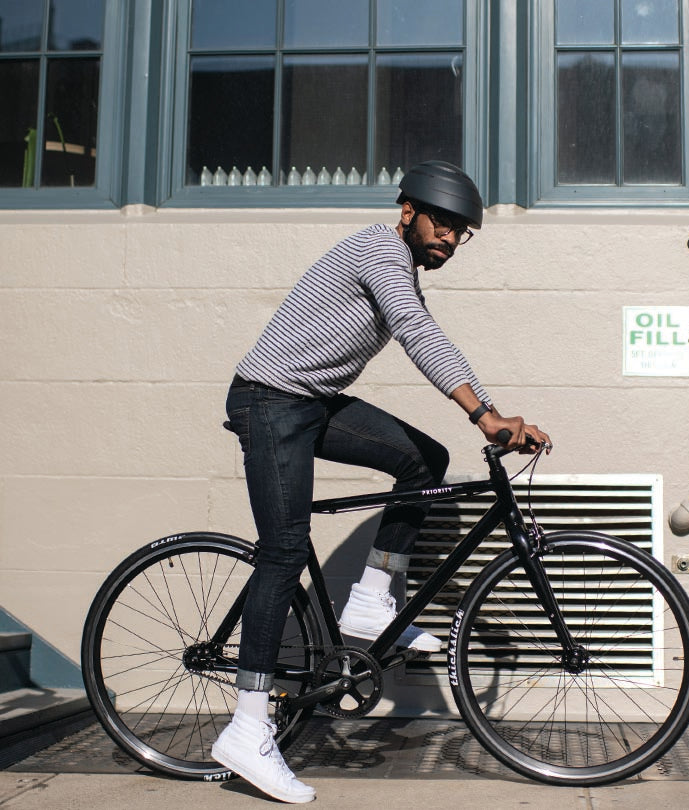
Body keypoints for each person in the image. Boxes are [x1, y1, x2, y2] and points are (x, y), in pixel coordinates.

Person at [211, 160, 552, 803]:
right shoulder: (379, 252)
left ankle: (371, 601)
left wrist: (481, 411)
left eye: (461, 232)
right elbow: (419, 334)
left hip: (312, 401)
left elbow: (420, 330)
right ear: (407, 212)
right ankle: (247, 729)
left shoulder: (402, 267)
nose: (449, 238)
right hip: (269, 400)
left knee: (422, 462)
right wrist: (486, 413)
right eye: (442, 223)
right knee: (283, 552)